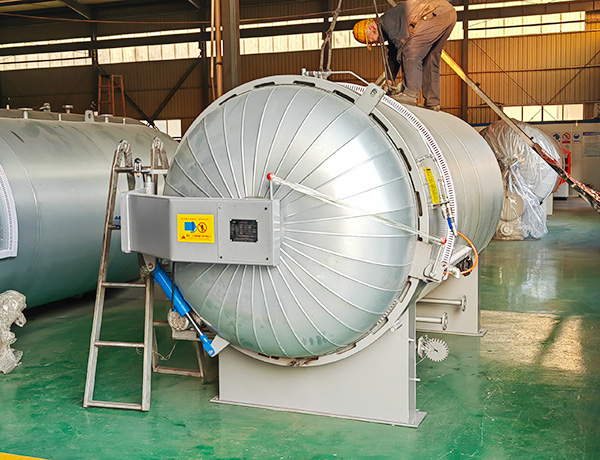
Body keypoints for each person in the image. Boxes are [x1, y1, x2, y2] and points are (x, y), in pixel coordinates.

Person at [353, 0, 457, 110]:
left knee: (410, 50)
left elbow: (404, 50)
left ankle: (410, 94)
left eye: (372, 41)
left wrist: (404, 85)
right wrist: (389, 80)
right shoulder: (389, 27)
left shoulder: (388, 22)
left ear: (372, 28)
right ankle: (432, 102)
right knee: (430, 59)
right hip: (447, 13)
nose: (376, 43)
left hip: (435, 13)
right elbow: (393, 57)